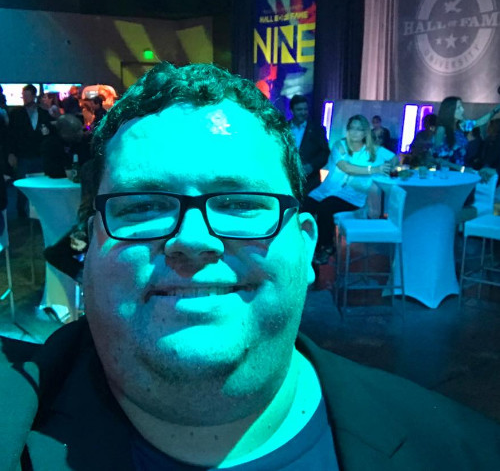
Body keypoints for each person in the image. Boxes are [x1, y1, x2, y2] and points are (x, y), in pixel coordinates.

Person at [1, 64, 500, 469]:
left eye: (240, 204)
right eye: (142, 206)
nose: (192, 240)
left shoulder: (463, 452)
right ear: (87, 246)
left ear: (306, 246)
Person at [303, 115, 397, 264]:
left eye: (359, 129)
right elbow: (346, 167)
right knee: (303, 208)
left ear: (365, 132)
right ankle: (304, 250)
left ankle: (326, 247)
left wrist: (387, 168)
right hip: (328, 190)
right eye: (352, 128)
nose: (355, 132)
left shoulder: (372, 150)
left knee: (324, 208)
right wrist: (374, 169)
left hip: (352, 195)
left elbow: (394, 158)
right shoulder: (340, 145)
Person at [6, 84, 54, 217]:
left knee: (40, 183)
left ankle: (37, 211)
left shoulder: (43, 113)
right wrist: (11, 153)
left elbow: (49, 133)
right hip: (23, 153)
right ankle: (22, 211)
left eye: (27, 96)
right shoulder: (16, 114)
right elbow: (11, 135)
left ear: (33, 96)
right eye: (24, 96)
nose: (25, 98)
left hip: (39, 153)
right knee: (23, 185)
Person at [433, 96, 500, 170]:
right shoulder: (442, 129)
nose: (462, 110)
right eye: (458, 108)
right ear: (450, 111)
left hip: (459, 170)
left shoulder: (461, 125)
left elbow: (479, 122)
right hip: (446, 172)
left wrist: (495, 111)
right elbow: (438, 157)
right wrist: (462, 169)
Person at [288, 94, 329, 195]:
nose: (303, 112)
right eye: (299, 109)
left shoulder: (317, 130)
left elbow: (325, 153)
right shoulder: (284, 128)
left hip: (310, 183)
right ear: (292, 111)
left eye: (305, 109)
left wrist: (311, 166)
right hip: (287, 179)